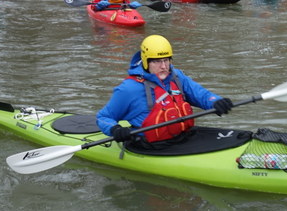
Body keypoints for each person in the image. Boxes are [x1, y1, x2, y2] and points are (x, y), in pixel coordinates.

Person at [96, 35, 234, 149]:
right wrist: (115, 129)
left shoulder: (177, 77)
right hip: (152, 146)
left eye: (166, 60)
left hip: (184, 137)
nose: (163, 66)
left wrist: (216, 102)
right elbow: (103, 117)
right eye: (157, 61)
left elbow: (201, 94)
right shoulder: (129, 89)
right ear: (146, 62)